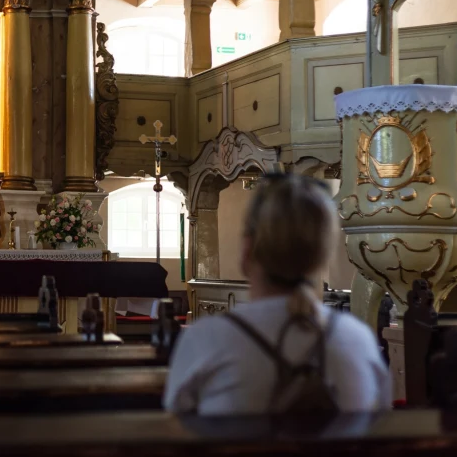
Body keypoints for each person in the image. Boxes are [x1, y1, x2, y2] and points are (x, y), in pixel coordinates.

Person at [164, 174, 390, 415]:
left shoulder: (207, 339)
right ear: (322, 257)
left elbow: (178, 428)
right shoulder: (359, 341)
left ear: (247, 251)